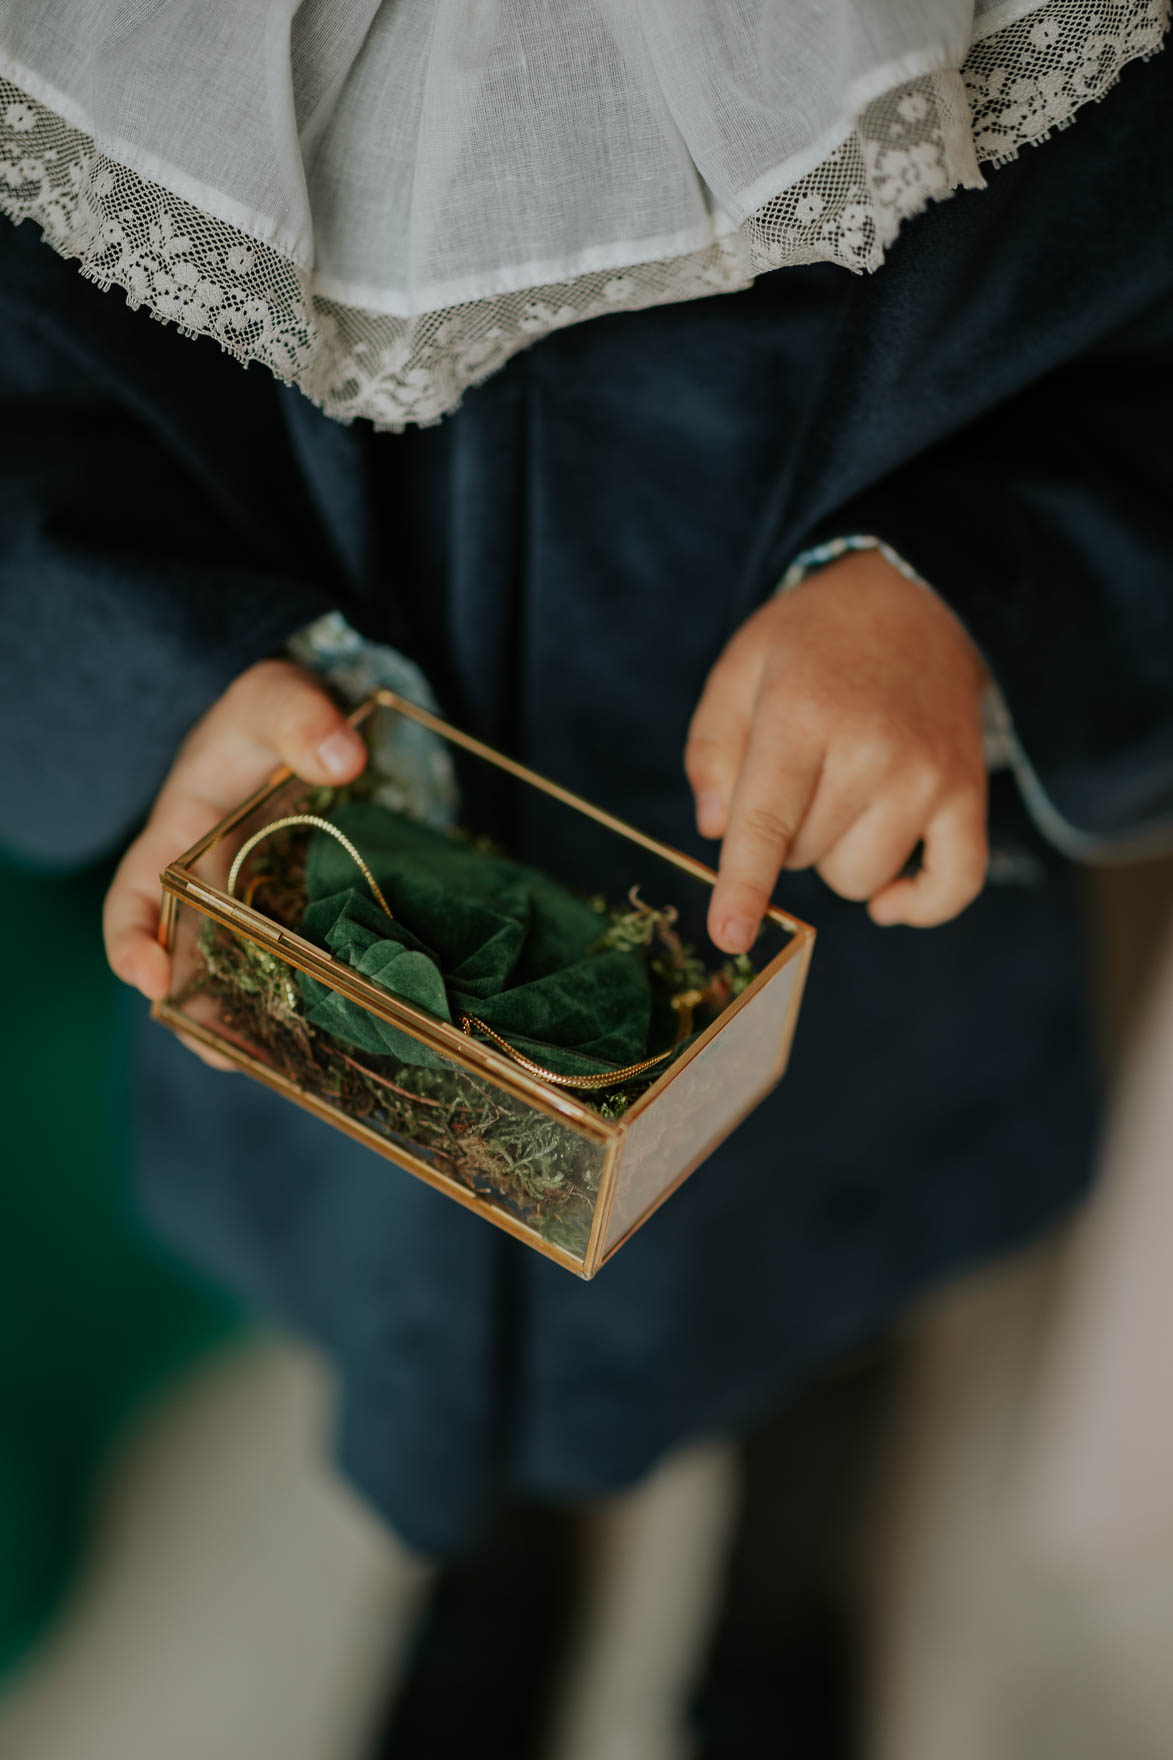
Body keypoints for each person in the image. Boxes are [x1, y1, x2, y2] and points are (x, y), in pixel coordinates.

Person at [1, 4, 1171, 1749]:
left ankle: (784, 1598)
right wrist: (168, 663)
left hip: (842, 908)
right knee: (439, 1286)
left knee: (817, 1279)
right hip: (362, 891)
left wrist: (959, 592)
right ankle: (491, 1574)